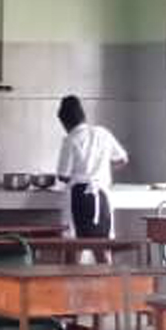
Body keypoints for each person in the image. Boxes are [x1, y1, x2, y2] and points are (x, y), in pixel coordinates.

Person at [55, 94, 128, 239]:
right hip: (102, 196)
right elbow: (122, 159)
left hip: (79, 197)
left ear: (65, 122)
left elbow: (63, 175)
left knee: (74, 246)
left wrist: (83, 174)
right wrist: (102, 171)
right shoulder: (102, 133)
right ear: (83, 116)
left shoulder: (70, 139)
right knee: (103, 247)